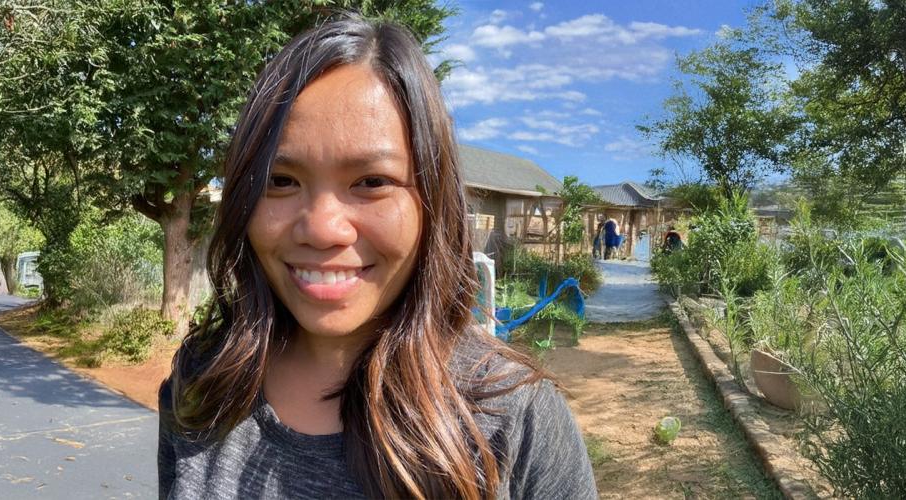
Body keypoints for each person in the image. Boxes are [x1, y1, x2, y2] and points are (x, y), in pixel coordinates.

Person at [158, 15, 598, 500]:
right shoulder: (201, 384)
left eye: (371, 182)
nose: (322, 229)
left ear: (432, 202)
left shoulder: (515, 418)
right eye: (280, 181)